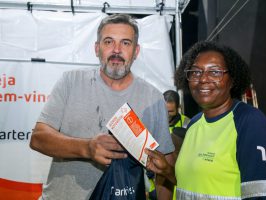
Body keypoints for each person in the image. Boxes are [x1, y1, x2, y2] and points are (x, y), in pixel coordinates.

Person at [30, 14, 175, 200]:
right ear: (97, 48)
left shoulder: (153, 98)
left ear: (136, 51)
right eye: (108, 42)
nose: (116, 50)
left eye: (125, 43)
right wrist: (87, 148)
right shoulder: (71, 81)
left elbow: (165, 169)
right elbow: (38, 138)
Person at [145, 41, 266, 199]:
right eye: (196, 72)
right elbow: (196, 183)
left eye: (215, 72)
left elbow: (263, 194)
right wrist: (167, 171)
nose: (203, 79)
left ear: (232, 80)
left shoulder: (250, 122)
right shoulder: (194, 124)